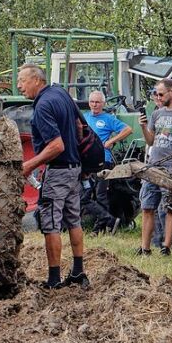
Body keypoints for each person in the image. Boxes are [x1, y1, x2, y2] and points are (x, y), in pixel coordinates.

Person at [17, 63, 88, 290]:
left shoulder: (43, 107)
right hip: (74, 168)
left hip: (57, 171)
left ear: (37, 80)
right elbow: (79, 125)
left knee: (51, 225)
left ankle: (54, 279)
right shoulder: (61, 94)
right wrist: (76, 153)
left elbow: (56, 146)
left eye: (23, 80)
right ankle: (78, 272)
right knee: (74, 220)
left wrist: (29, 165)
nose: (19, 86)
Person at [138, 78, 172, 257]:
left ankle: (166, 247)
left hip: (170, 167)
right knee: (147, 206)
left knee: (168, 207)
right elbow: (150, 140)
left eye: (161, 94)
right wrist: (143, 126)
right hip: (153, 165)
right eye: (156, 94)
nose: (158, 97)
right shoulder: (156, 114)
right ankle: (145, 247)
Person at [83, 90, 132, 234]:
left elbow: (128, 129)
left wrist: (111, 141)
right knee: (86, 195)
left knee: (100, 194)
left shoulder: (108, 119)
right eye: (92, 102)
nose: (94, 105)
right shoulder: (84, 117)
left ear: (103, 104)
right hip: (87, 162)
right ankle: (107, 220)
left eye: (97, 102)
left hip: (103, 161)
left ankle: (100, 228)